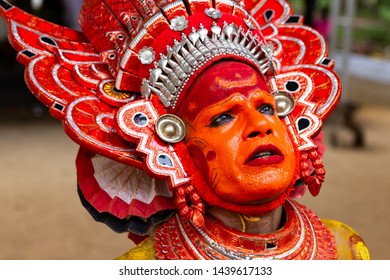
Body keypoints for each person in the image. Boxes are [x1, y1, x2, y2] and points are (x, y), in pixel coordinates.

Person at [0, 0, 369, 260]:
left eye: (268, 108)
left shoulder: (347, 249)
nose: (261, 127)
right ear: (171, 144)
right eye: (223, 117)